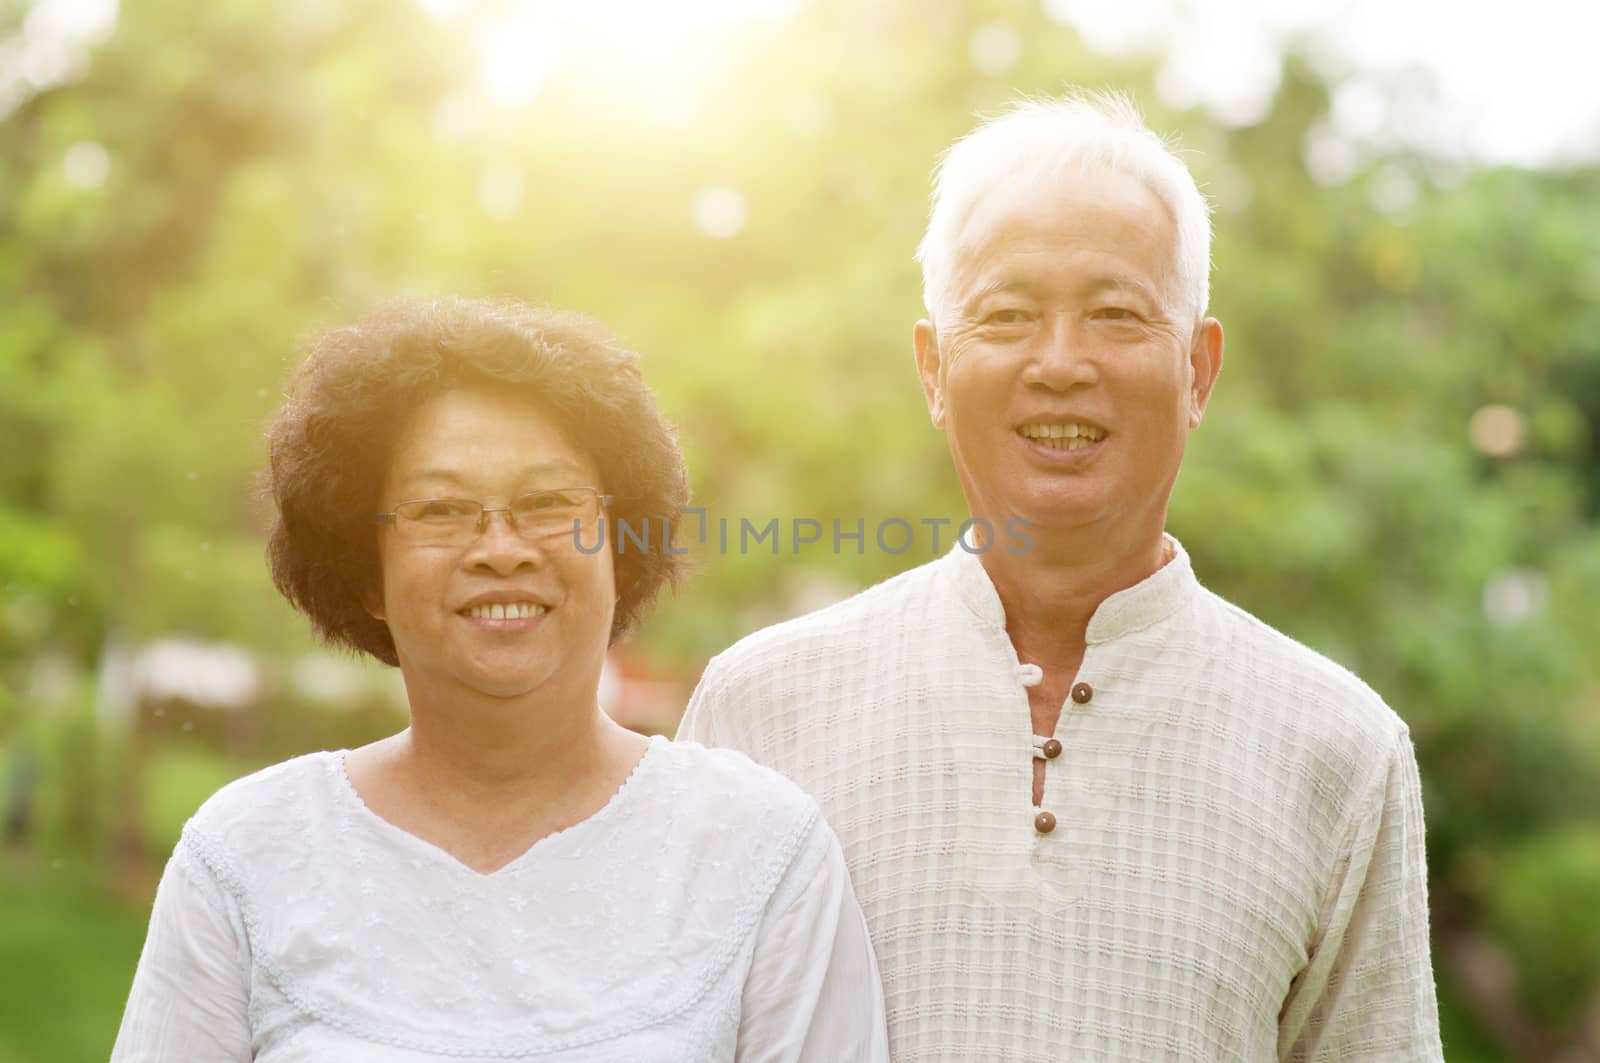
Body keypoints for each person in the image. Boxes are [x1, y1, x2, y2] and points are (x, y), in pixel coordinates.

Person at [678, 93, 1444, 1061]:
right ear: (931, 369)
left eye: (1116, 314)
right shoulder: (759, 711)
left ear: (1197, 371)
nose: (1060, 362)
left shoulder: (1338, 750)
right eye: (1006, 315)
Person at [111, 297, 889, 1062]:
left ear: (618, 547)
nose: (501, 548)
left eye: (548, 503)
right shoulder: (247, 856)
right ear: (366, 573)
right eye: (442, 509)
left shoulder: (761, 850)